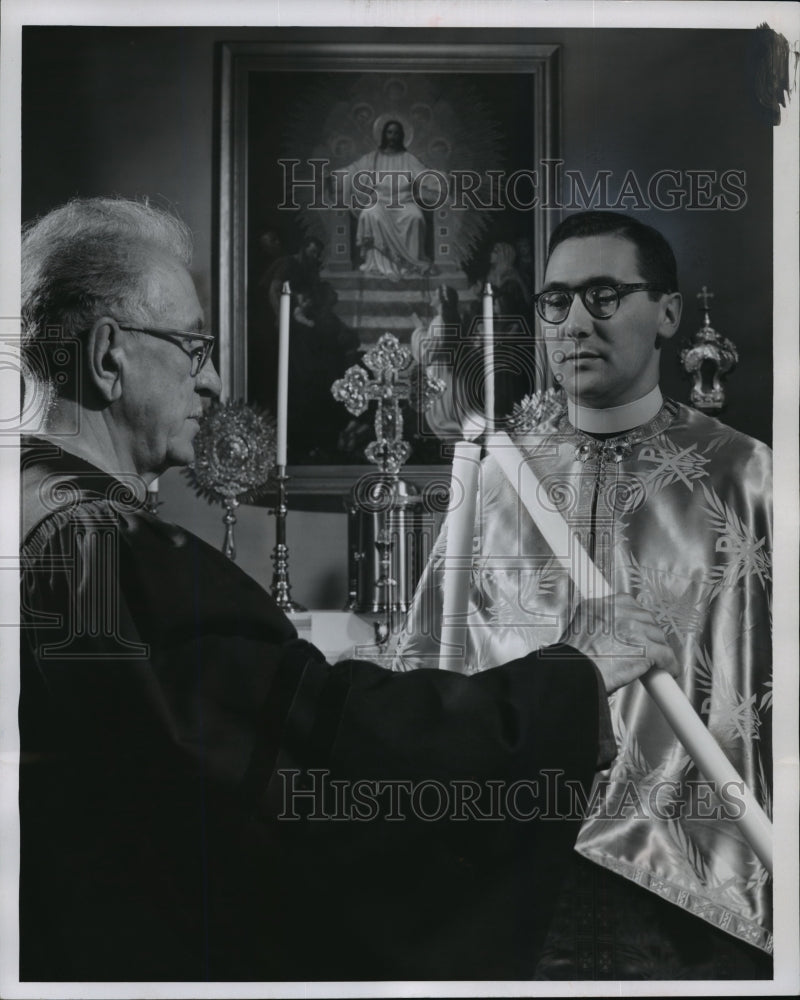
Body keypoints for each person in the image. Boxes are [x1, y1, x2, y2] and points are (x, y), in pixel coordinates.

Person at [18, 197, 678, 983]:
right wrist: (567, 680)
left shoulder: (32, 507)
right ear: (106, 356)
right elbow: (326, 753)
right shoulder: (101, 545)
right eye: (195, 347)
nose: (216, 379)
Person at [394, 211, 773, 979]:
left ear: (667, 312)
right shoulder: (497, 480)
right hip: (518, 865)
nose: (574, 323)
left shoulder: (751, 478)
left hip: (693, 882)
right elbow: (428, 674)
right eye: (555, 300)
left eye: (604, 296)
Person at [339, 118, 434, 279]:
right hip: (379, 202)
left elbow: (425, 175)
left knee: (415, 217)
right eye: (389, 132)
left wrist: (444, 180)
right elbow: (353, 170)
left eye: (396, 133)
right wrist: (335, 177)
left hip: (404, 202)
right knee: (369, 215)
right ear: (383, 135)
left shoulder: (409, 158)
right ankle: (377, 264)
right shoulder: (372, 158)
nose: (392, 136)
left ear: (401, 136)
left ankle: (408, 264)